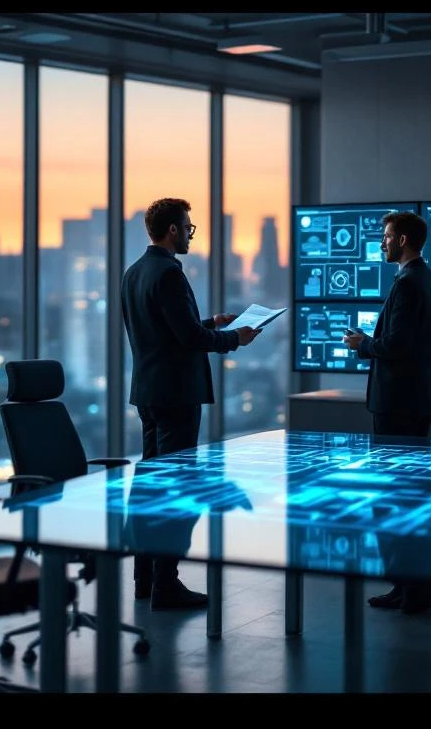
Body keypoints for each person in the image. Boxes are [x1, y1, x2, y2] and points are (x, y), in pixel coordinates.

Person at [121, 197, 261, 610]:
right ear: (172, 231)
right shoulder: (168, 274)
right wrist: (235, 338)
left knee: (151, 487)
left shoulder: (135, 273)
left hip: (148, 392)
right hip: (177, 395)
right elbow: (188, 340)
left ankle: (144, 577)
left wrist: (211, 323)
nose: (190, 234)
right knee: (176, 488)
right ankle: (167, 584)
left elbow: (165, 332)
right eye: (187, 227)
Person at [342, 209, 431, 613]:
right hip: (419, 399)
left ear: (403, 240)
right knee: (415, 498)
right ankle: (412, 591)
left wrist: (363, 344)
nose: (382, 242)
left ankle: (409, 591)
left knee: (395, 498)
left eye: (387, 236)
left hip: (398, 404)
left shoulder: (407, 284)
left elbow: (397, 346)